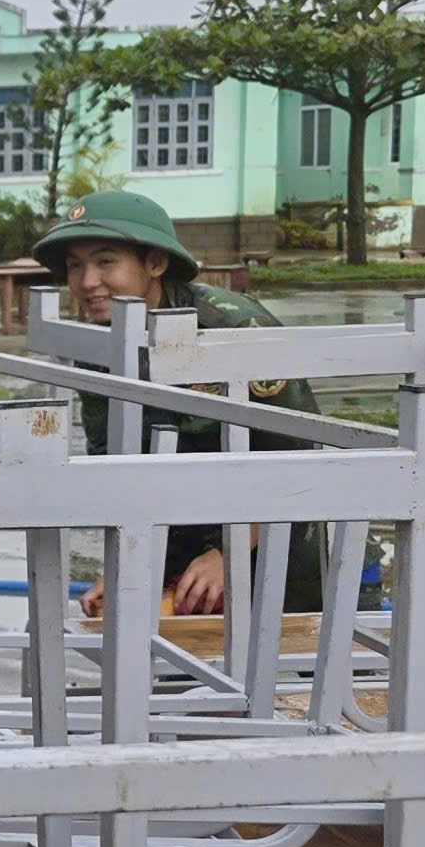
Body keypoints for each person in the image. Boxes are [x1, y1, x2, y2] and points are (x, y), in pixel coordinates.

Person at [31, 189, 323, 617]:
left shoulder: (232, 328)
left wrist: (230, 551)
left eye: (105, 261)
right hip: (186, 567)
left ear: (156, 263)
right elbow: (120, 469)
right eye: (76, 265)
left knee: (290, 674)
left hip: (286, 554)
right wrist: (125, 569)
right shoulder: (98, 343)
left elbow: (301, 457)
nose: (88, 281)